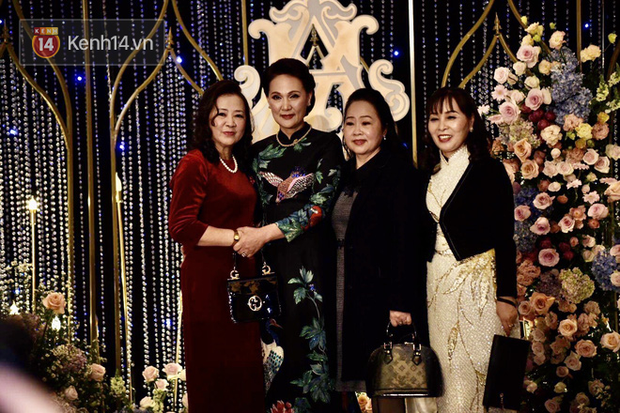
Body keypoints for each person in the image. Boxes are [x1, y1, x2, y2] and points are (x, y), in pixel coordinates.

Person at [233, 58, 344, 411]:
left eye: (294, 96)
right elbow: (249, 208)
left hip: (313, 270)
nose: (285, 105)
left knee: (313, 356)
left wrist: (264, 234)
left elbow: (319, 208)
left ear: (309, 97)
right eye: (276, 96)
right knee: (274, 357)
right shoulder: (257, 153)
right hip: (269, 270)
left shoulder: (327, 145)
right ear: (267, 99)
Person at [331, 88, 429, 413]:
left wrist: (400, 301)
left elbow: (408, 241)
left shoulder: (400, 174)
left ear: (384, 128)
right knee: (360, 382)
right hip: (346, 292)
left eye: (366, 122)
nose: (357, 131)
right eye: (350, 123)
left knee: (388, 383)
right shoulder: (344, 175)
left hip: (382, 295)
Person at [168, 80, 264, 412]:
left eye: (238, 115)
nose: (230, 122)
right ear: (207, 117)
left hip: (244, 279)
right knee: (215, 369)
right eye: (221, 114)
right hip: (208, 281)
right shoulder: (195, 163)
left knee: (245, 372)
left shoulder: (243, 163)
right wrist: (238, 238)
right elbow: (181, 225)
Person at [421, 87, 518, 413]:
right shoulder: (428, 174)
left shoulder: (489, 170)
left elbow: (505, 237)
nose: (442, 127)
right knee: (448, 381)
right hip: (437, 290)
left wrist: (507, 297)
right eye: (434, 118)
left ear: (471, 121)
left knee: (482, 376)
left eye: (451, 117)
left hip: (480, 289)